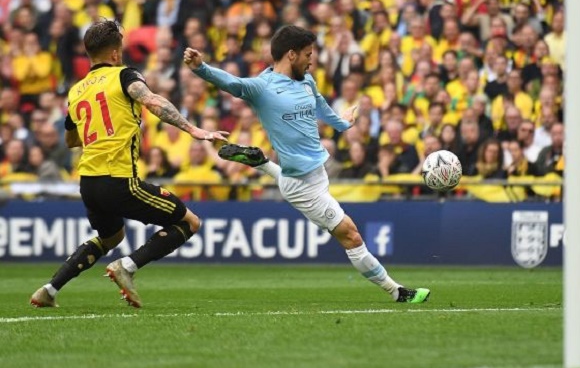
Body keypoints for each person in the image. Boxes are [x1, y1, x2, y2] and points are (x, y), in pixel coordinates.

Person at [184, 25, 430, 303]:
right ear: (291, 55)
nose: (311, 60)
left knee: (306, 196)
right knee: (350, 235)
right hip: (302, 186)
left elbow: (322, 107)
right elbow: (232, 83)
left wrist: (343, 124)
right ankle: (397, 292)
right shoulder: (262, 87)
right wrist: (200, 67)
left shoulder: (307, 81)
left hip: (314, 174)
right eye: (307, 54)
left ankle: (262, 162)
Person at [30, 20, 228, 309]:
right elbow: (151, 100)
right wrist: (192, 130)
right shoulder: (125, 75)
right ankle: (128, 266)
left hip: (88, 182)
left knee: (110, 237)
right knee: (189, 222)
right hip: (119, 179)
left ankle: (49, 289)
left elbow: (72, 139)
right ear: (114, 53)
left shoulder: (76, 91)